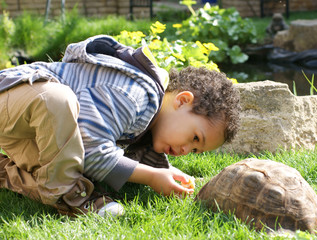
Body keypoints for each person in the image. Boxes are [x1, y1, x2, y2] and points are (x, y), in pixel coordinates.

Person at [0, 35, 241, 217]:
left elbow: (80, 152)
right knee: (55, 98)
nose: (187, 150)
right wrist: (152, 176)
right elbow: (91, 148)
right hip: (14, 96)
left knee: (61, 163)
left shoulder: (148, 123)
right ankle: (70, 195)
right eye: (195, 138)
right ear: (182, 100)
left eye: (196, 151)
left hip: (29, 127)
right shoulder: (136, 96)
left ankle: (7, 173)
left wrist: (165, 173)